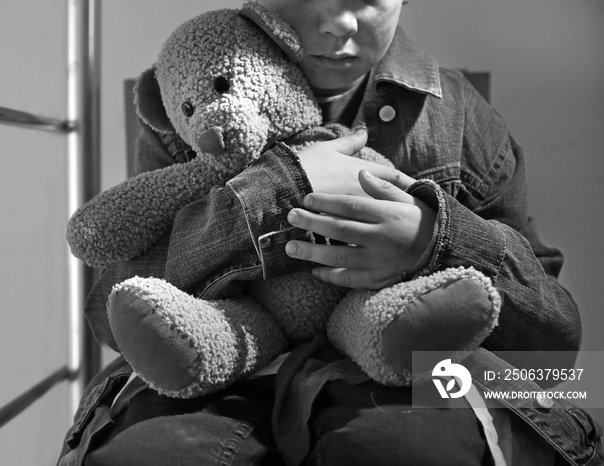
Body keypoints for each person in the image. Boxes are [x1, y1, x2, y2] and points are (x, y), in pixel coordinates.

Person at [57, 0, 602, 464]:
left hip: (408, 358)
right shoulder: (192, 105)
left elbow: (550, 354)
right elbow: (116, 307)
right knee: (156, 453)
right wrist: (275, 193)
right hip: (227, 360)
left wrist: (435, 240)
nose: (337, 22)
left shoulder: (460, 118)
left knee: (404, 446)